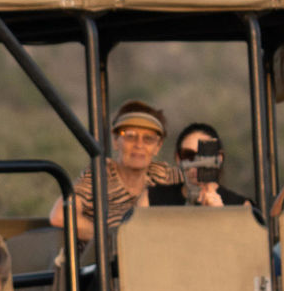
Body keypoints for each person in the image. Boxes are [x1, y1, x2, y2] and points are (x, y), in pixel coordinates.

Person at [48, 99, 183, 242]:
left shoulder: (162, 174)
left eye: (148, 139)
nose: (139, 145)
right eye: (130, 136)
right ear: (115, 140)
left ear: (158, 146)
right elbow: (60, 216)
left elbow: (198, 183)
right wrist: (116, 239)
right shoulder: (101, 174)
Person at [149, 122, 251, 207]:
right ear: (178, 158)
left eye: (204, 155)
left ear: (219, 158)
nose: (196, 163)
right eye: (188, 155)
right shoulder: (152, 199)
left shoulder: (241, 206)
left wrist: (221, 216)